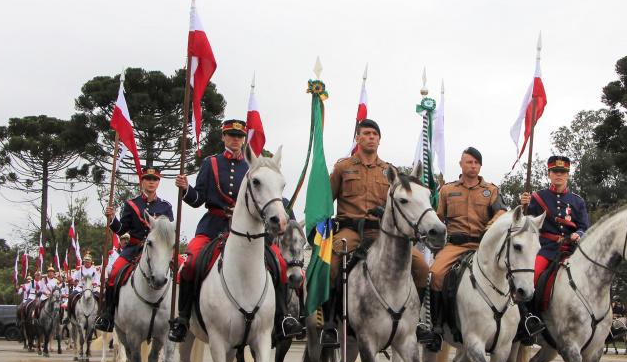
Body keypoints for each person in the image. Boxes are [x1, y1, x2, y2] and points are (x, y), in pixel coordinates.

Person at [168, 119, 300, 342]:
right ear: (223, 137)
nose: (235, 139)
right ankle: (182, 319)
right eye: (231, 135)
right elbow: (198, 199)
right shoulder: (211, 164)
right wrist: (186, 190)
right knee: (190, 263)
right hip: (213, 225)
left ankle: (282, 317)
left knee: (279, 262)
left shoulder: (253, 168)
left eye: (239, 136)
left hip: (246, 231)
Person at [320, 118, 430, 347]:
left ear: (379, 140)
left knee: (422, 267)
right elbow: (324, 202)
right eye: (367, 133)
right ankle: (329, 324)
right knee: (329, 265)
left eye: (375, 134)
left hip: (383, 234)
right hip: (350, 231)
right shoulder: (343, 168)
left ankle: (418, 321)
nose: (371, 137)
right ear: (357, 137)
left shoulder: (390, 172)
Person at [424, 147, 506, 350]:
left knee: (510, 273)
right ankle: (435, 327)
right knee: (435, 274)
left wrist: (488, 229)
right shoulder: (448, 190)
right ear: (461, 164)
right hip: (455, 245)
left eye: (476, 163)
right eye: (469, 162)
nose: (473, 166)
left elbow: (501, 212)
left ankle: (521, 324)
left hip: (482, 246)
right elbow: (438, 217)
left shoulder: (491, 190)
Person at [519, 156, 590, 341]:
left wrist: (579, 235)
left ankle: (601, 322)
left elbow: (584, 226)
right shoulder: (537, 198)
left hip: (570, 249)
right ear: (549, 174)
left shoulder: (577, 201)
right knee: (531, 278)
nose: (559, 175)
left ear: (567, 175)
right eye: (555, 172)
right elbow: (525, 223)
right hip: (545, 248)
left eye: (563, 172)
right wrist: (523, 206)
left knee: (593, 276)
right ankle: (527, 319)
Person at [95, 168, 174, 332]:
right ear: (142, 181)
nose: (151, 182)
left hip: (158, 249)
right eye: (147, 178)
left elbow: (171, 232)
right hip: (135, 247)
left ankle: (179, 315)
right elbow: (121, 229)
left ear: (158, 182)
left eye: (154, 179)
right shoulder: (131, 204)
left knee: (182, 271)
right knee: (114, 274)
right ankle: (107, 314)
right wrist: (112, 219)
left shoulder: (166, 206)